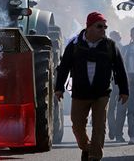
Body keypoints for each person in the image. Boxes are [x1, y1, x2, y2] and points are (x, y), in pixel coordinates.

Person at [55, 12, 129, 161]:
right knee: (77, 126)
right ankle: (86, 147)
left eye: (105, 27)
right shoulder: (74, 45)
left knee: (99, 126)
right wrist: (59, 88)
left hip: (101, 93)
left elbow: (120, 68)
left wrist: (124, 90)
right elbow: (63, 67)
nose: (103, 30)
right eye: (99, 26)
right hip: (80, 93)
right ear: (89, 27)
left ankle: (95, 156)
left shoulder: (110, 46)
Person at [106, 30, 128, 143]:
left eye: (116, 36)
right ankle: (112, 129)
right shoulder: (106, 48)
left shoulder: (125, 49)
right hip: (109, 82)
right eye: (112, 36)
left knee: (120, 109)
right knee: (110, 109)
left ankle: (118, 133)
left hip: (120, 82)